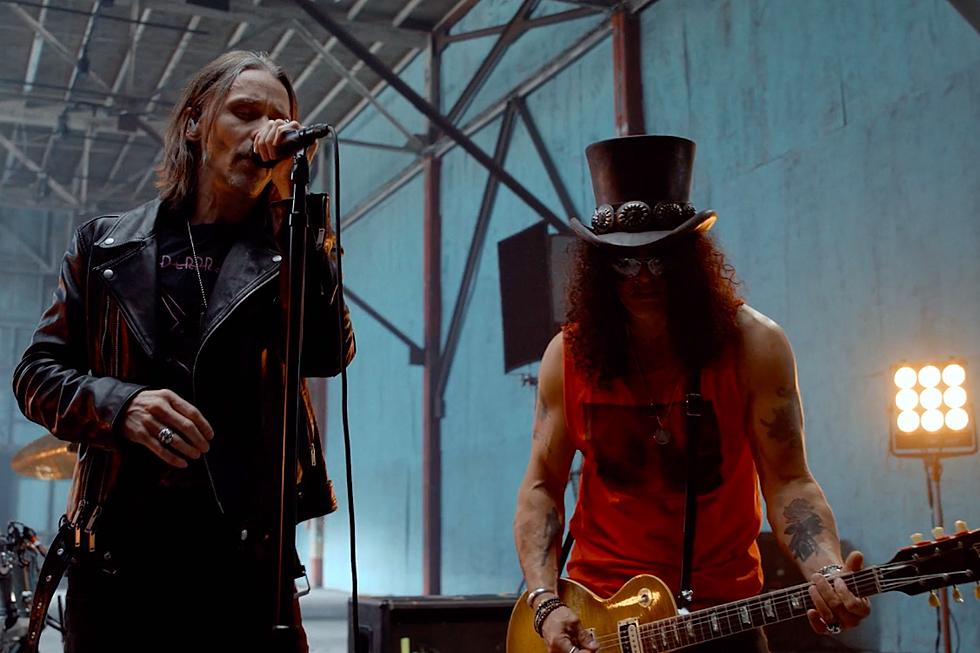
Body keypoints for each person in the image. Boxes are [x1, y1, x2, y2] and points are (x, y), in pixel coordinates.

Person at [12, 50, 354, 653]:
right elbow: (36, 375)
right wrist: (121, 405)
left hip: (247, 576)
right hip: (117, 572)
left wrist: (294, 217)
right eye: (245, 112)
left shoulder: (288, 247)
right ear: (195, 123)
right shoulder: (104, 246)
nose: (264, 131)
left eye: (278, 119)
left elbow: (327, 353)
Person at [513, 135, 870, 653]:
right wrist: (545, 601)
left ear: (690, 258)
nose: (642, 277)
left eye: (660, 259)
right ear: (599, 267)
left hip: (722, 620)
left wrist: (828, 572)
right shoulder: (566, 356)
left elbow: (789, 479)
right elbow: (541, 486)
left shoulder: (754, 345)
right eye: (624, 261)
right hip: (598, 623)